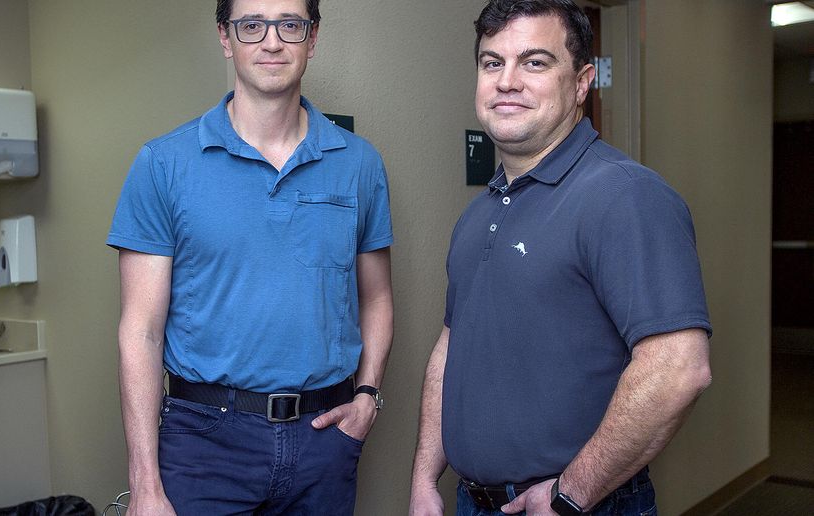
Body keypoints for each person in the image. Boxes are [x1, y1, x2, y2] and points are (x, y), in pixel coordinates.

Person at [409, 1, 712, 515]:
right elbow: (452, 347)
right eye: (492, 63)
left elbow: (678, 367)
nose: (507, 81)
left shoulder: (624, 195)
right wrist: (423, 479)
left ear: (581, 83)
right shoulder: (479, 213)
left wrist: (570, 495)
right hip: (471, 500)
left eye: (535, 62)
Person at [107, 0, 394, 514]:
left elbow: (375, 298)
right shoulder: (163, 165)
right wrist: (145, 484)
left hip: (324, 440)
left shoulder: (359, 163)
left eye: (290, 24)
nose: (272, 41)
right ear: (225, 36)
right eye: (252, 25)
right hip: (204, 443)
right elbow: (141, 331)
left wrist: (368, 395)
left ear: (312, 37)